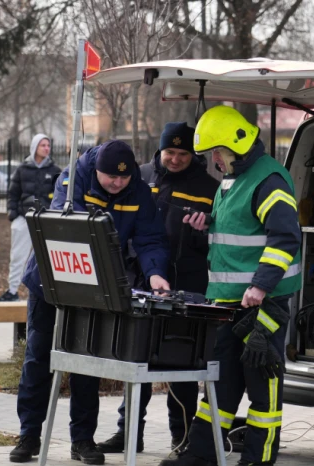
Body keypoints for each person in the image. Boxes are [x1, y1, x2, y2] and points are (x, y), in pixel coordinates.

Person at [10, 140, 170, 465]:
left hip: (97, 288)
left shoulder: (138, 191)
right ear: (97, 169)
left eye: (123, 179)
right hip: (51, 282)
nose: (116, 183)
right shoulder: (72, 179)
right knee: (39, 357)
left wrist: (155, 274)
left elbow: (150, 238)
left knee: (88, 362)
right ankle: (29, 434)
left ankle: (82, 440)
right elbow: (66, 228)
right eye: (110, 177)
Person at [159, 105, 302, 466]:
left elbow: (285, 237)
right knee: (219, 383)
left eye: (216, 154)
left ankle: (258, 458)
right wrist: (209, 222)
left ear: (235, 145)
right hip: (227, 303)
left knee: (262, 387)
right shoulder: (235, 177)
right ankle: (203, 453)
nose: (214, 162)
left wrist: (260, 285)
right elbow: (244, 227)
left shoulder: (269, 179)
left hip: (262, 305)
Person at [97, 123, 220, 455]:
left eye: (183, 154)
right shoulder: (142, 177)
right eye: (170, 153)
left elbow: (218, 240)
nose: (176, 159)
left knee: (182, 363)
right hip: (141, 279)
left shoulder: (210, 188)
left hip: (187, 284)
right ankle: (129, 432)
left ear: (193, 154)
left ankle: (181, 439)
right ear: (160, 151)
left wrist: (202, 230)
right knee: (136, 359)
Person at [0, 134, 61, 301]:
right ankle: (12, 290)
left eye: (48, 145)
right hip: (24, 219)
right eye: (43, 145)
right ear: (34, 147)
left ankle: (49, 293)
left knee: (47, 258)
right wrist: (13, 214)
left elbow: (60, 194)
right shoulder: (22, 169)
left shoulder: (54, 171)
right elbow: (13, 193)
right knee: (18, 256)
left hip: (45, 221)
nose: (47, 148)